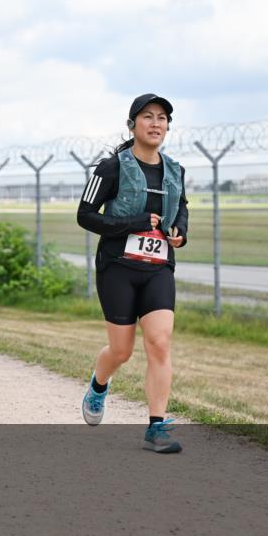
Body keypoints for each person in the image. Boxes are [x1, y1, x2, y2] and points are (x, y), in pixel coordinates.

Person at [76, 94, 189, 453]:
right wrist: (133, 223)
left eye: (162, 118)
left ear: (168, 127)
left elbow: (181, 206)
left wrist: (180, 231)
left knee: (159, 342)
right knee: (121, 350)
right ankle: (98, 385)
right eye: (147, 117)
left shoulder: (175, 170)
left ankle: (157, 427)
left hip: (158, 269)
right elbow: (86, 214)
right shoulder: (110, 168)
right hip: (118, 268)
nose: (156, 124)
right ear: (132, 125)